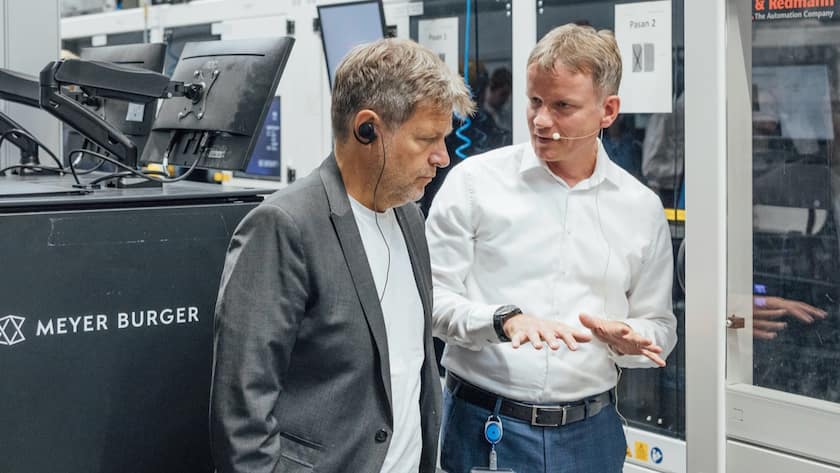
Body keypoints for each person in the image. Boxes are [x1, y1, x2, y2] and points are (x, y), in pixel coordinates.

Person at [210, 38, 473, 473]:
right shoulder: (285, 226)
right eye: (428, 138)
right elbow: (241, 409)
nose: (442, 157)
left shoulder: (409, 217)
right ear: (367, 129)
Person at [425, 24, 678, 473]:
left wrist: (628, 341)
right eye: (535, 101)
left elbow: (658, 325)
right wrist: (501, 322)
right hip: (484, 424)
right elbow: (431, 300)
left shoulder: (639, 208)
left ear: (609, 110)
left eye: (563, 106)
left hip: (592, 433)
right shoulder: (474, 184)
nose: (541, 120)